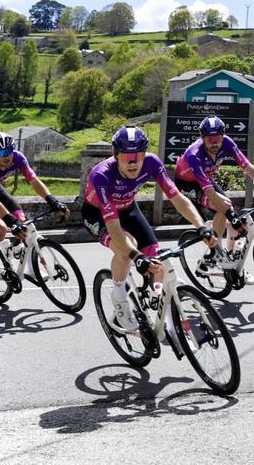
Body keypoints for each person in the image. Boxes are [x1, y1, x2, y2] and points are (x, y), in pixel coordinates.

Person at [82, 126, 217, 331]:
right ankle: (119, 298)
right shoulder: (101, 175)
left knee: (157, 258)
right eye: (127, 156)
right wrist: (137, 257)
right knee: (127, 250)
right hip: (98, 215)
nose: (133, 161)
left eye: (138, 155)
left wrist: (201, 226)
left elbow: (177, 198)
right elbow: (114, 227)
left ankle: (167, 317)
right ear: (116, 155)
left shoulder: (152, 163)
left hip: (128, 209)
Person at [173, 115, 254, 278]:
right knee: (225, 209)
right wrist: (230, 215)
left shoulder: (227, 143)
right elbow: (210, 194)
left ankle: (228, 260)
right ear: (202, 137)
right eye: (210, 139)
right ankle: (215, 254)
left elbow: (247, 166)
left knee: (228, 207)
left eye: (217, 138)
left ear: (223, 136)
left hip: (205, 179)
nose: (214, 143)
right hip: (187, 184)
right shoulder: (193, 155)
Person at [0, 132, 69, 280]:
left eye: (9, 150)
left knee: (24, 223)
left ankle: (31, 268)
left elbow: (34, 181)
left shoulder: (18, 157)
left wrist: (53, 201)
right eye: (0, 152)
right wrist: (12, 223)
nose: (6, 156)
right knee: (0, 229)